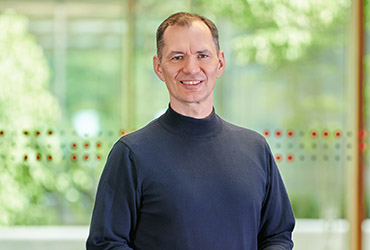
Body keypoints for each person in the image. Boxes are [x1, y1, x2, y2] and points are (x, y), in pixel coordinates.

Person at [86, 12, 295, 250]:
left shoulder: (255, 149)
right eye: (177, 57)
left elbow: (277, 236)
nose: (191, 68)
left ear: (220, 62)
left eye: (202, 55)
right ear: (158, 67)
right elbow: (105, 244)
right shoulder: (131, 154)